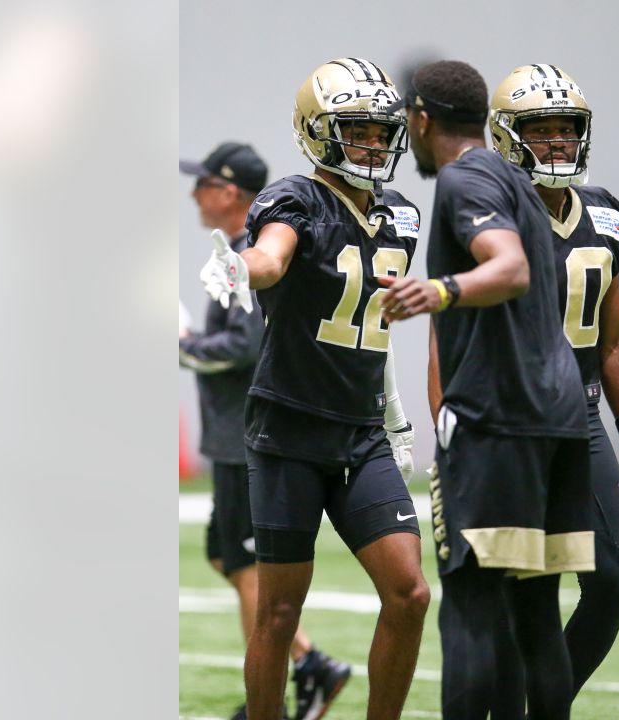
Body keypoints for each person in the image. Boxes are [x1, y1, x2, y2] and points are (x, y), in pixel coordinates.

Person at [198, 59, 429, 720]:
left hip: (360, 433)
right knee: (277, 611)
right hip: (290, 431)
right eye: (355, 129)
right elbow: (271, 256)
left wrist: (392, 409)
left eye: (380, 130)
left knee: (409, 594)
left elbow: (371, 325)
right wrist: (241, 268)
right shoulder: (296, 198)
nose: (373, 144)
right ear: (316, 131)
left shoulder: (403, 217)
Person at [378, 60, 594, 720]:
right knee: (536, 612)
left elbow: (511, 268)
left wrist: (440, 289)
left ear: (420, 119)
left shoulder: (466, 176)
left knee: (471, 608)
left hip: (500, 422)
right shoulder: (518, 182)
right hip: (560, 420)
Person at [483, 64, 619, 708]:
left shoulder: (606, 213)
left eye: (568, 129)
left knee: (610, 582)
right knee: (519, 590)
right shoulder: (489, 214)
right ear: (509, 137)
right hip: (510, 426)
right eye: (543, 130)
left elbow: (614, 338)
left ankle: (542, 701)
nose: (558, 143)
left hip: (580, 420)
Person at [179, 142, 352, 720]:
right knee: (227, 557)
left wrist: (181, 348)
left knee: (247, 561)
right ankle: (302, 667)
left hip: (245, 433)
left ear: (230, 192)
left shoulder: (253, 251)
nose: (193, 194)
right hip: (236, 431)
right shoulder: (241, 247)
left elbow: (243, 346)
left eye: (202, 184)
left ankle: (302, 672)